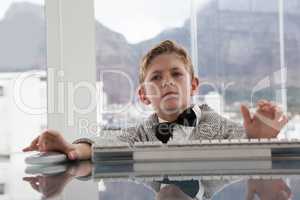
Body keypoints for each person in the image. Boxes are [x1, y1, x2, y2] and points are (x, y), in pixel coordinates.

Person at [23, 40, 288, 160]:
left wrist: (260, 138)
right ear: (143, 95)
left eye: (176, 74)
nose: (167, 82)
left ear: (194, 85)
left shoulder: (214, 122)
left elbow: (246, 145)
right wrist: (68, 146)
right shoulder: (140, 133)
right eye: (156, 78)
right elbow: (101, 145)